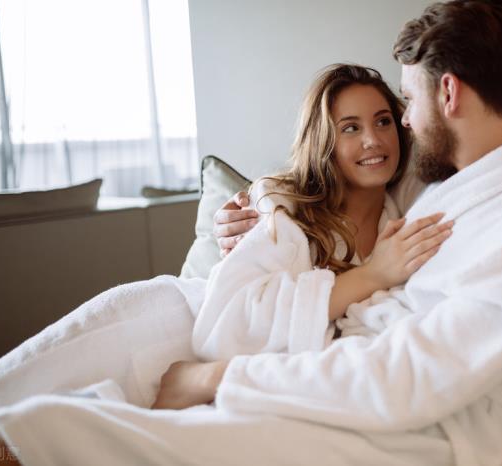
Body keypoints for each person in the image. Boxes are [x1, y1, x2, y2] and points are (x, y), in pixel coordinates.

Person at [0, 1, 502, 465]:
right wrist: (247, 223)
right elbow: (336, 203)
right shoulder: (461, 186)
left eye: (404, 105)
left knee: (58, 433)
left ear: (449, 93)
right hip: (329, 376)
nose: (401, 126)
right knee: (57, 408)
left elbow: (405, 380)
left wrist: (218, 379)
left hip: (410, 436)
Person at [154, 63, 454, 406]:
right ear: (324, 140)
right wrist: (373, 274)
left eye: (383, 121)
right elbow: (233, 325)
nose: (373, 140)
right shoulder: (279, 203)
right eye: (351, 128)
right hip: (198, 346)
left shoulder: (406, 208)